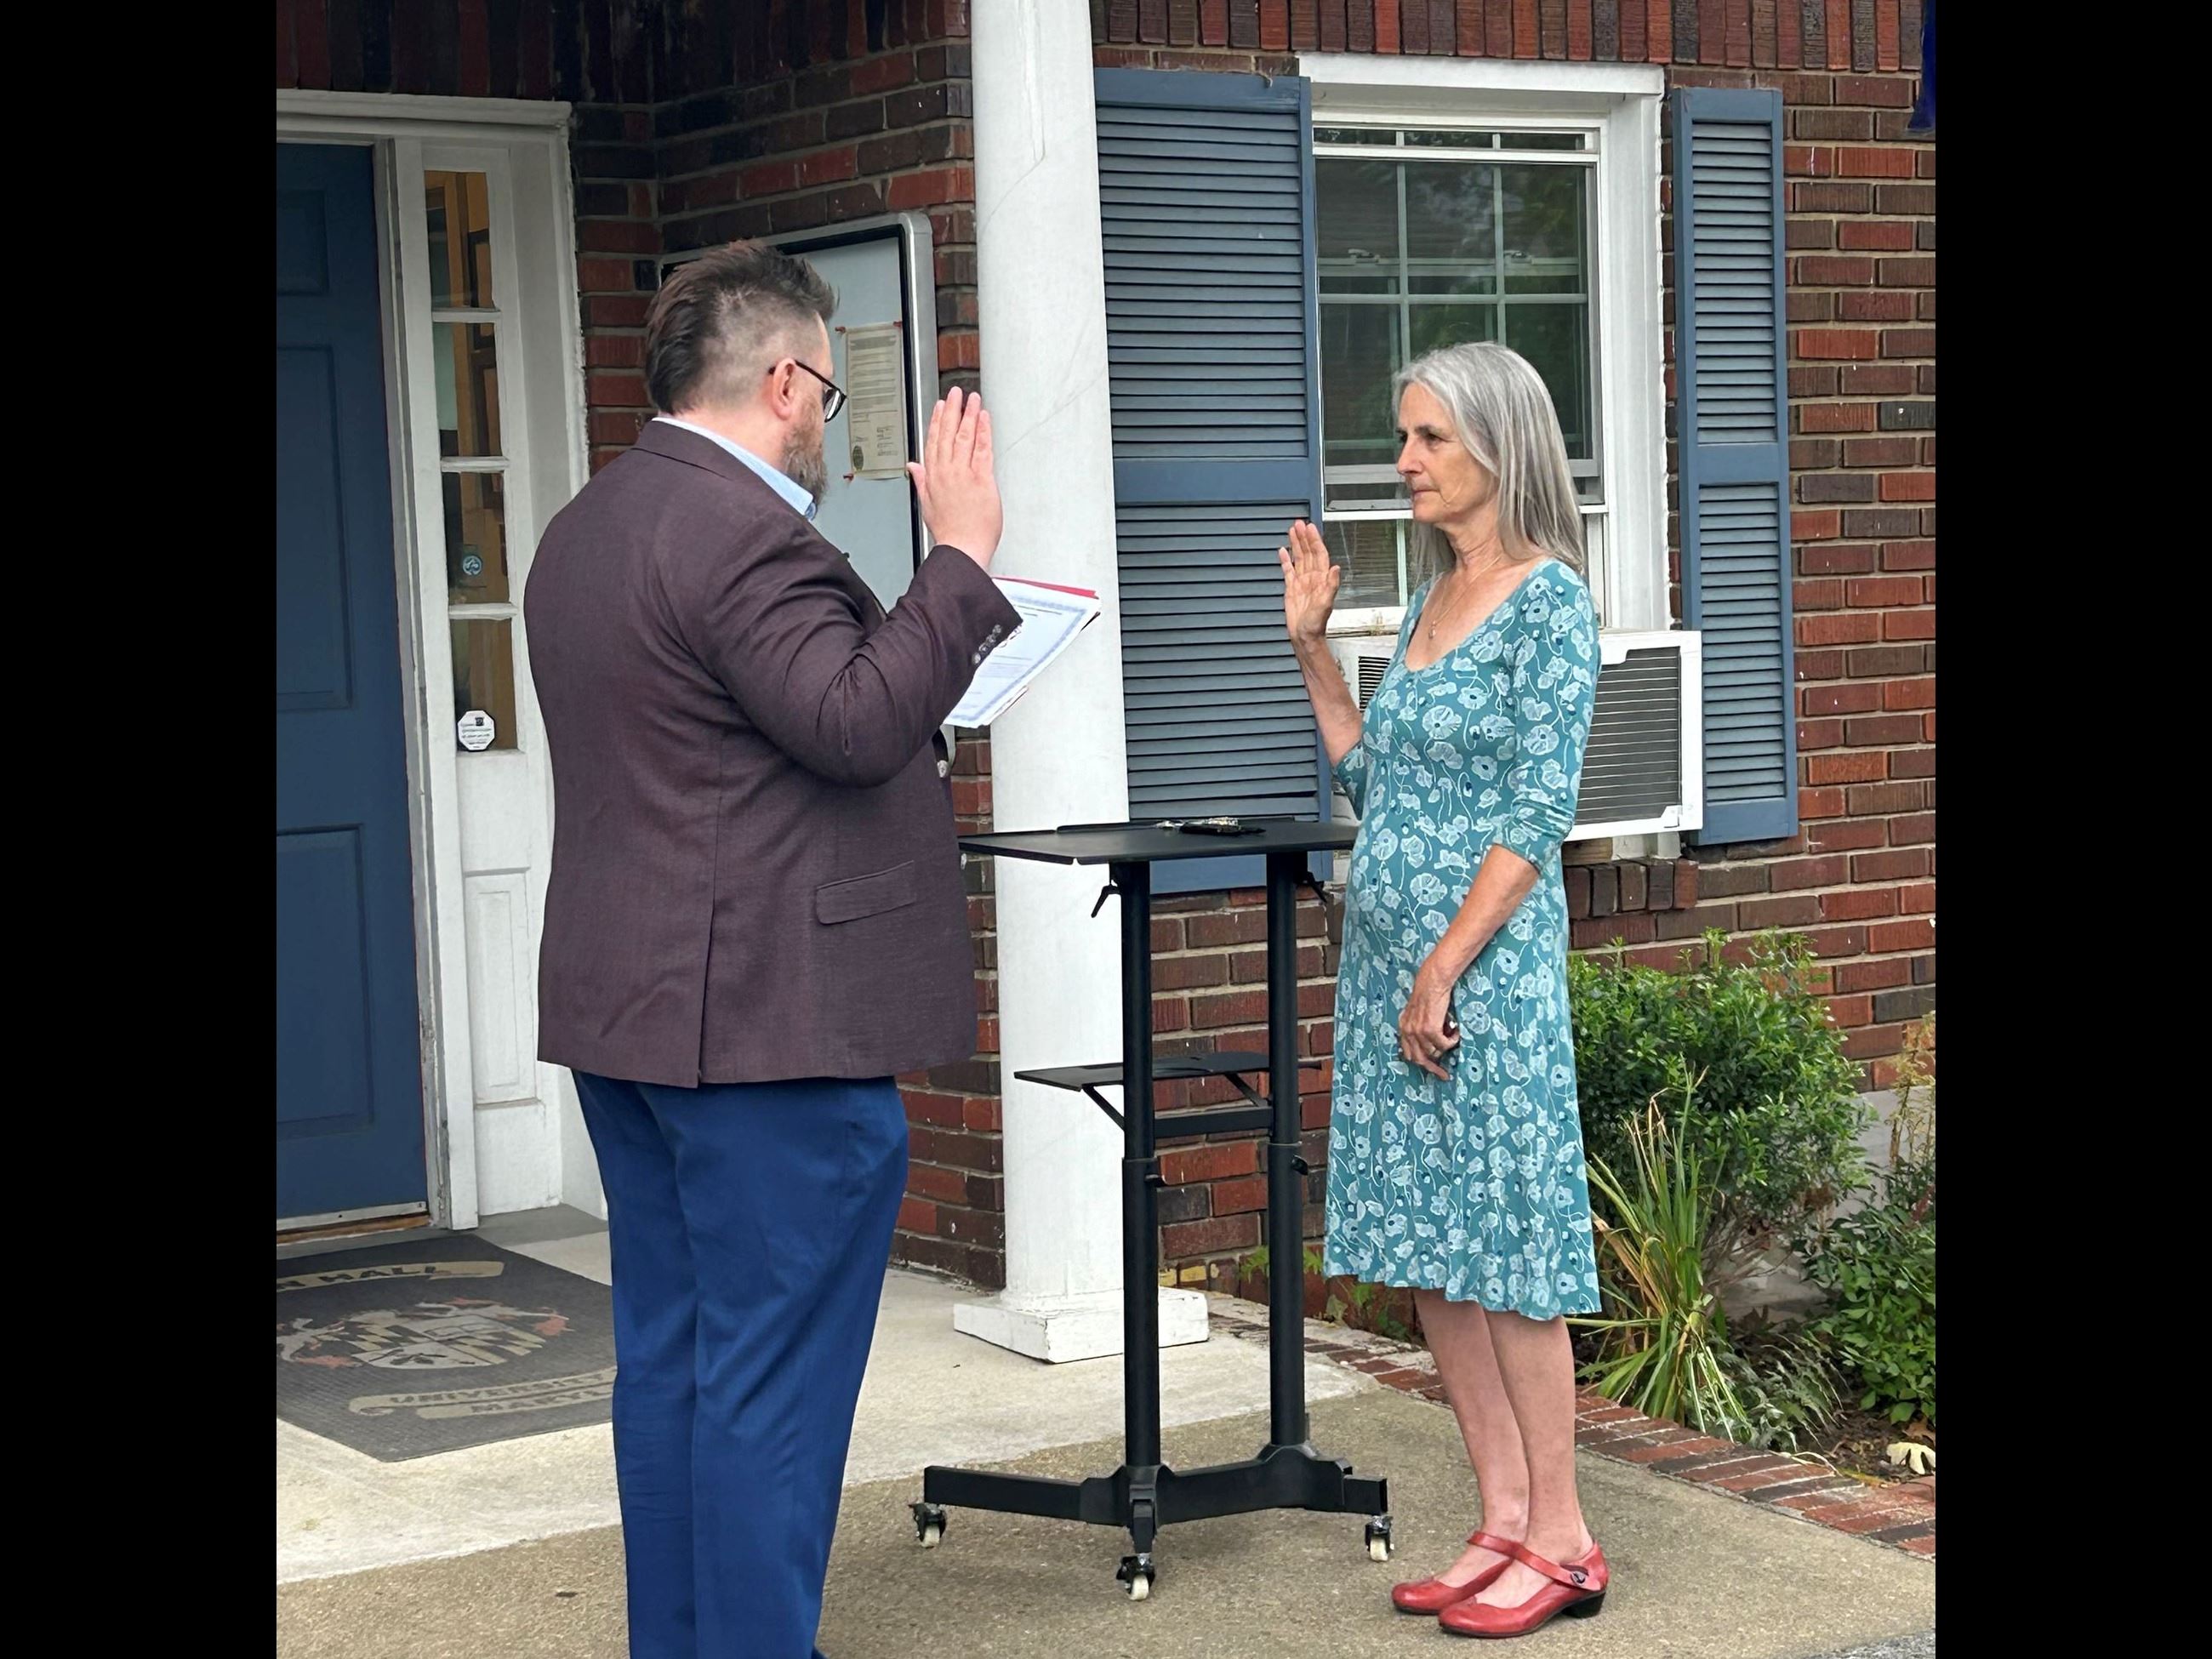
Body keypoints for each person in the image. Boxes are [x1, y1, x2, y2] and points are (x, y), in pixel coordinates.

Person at [523, 241, 1021, 1659]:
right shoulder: (741, 533)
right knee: (769, 1391)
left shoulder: (593, 524)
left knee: (677, 1370)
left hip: (636, 1020)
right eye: (833, 395)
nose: (832, 427)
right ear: (790, 379)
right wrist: (966, 561)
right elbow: (855, 719)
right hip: (767, 1035)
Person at [1279, 341, 1609, 1639]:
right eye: (1403, 436)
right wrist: (1314, 650)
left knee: (1510, 1254)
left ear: (1497, 449)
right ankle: (1506, 1516)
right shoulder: (1431, 602)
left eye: (1426, 440)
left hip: (1486, 982)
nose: (1403, 461)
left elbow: (1540, 812)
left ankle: (1568, 1539)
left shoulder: (1548, 605)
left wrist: (1444, 961)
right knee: (1432, 1255)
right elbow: (1378, 785)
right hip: (1392, 978)